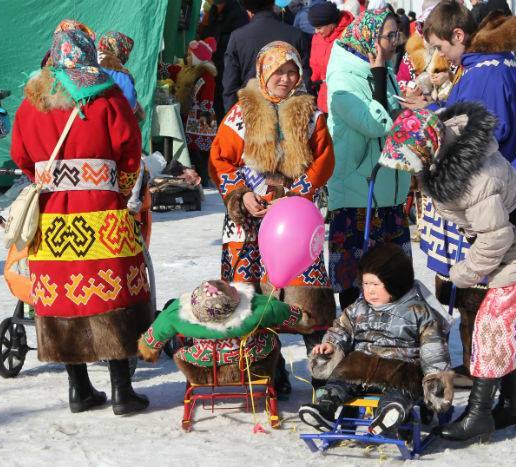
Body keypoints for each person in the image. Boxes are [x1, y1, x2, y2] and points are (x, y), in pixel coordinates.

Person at [379, 103, 516, 442]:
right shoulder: (450, 153)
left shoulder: (471, 179)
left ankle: (480, 413)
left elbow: (497, 236)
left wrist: (464, 272)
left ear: (426, 148)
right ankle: (514, 404)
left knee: (490, 329)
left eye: (408, 162)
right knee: (512, 330)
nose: (407, 171)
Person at [403, 1, 516, 385]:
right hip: (503, 194)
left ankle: (485, 374)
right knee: (496, 295)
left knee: (489, 295)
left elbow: (482, 133)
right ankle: (493, 378)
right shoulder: (492, 64)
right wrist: (438, 108)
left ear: (459, 35)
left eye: (439, 46)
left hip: (497, 196)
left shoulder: (486, 71)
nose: (438, 56)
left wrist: (435, 123)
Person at [10, 28, 152, 415]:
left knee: (62, 298)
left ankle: (79, 390)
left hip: (53, 219)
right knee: (114, 294)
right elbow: (130, 152)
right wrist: (121, 191)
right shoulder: (107, 97)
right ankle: (122, 391)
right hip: (104, 211)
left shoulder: (30, 105)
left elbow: (21, 157)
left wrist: (51, 180)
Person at [209, 42, 336, 392]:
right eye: (278, 71)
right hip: (247, 221)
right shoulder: (239, 115)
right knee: (253, 299)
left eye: (292, 71)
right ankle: (271, 371)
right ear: (263, 72)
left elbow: (323, 160)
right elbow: (221, 160)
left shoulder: (311, 116)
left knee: (306, 296)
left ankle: (322, 377)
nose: (286, 78)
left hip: (293, 220)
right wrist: (242, 194)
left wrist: (296, 196)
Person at [298, 244, 453, 433]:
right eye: (365, 284)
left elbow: (433, 348)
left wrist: (435, 378)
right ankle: (326, 409)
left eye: (376, 285)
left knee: (402, 388)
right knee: (338, 382)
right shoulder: (358, 308)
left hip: (400, 366)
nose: (369, 291)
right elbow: (342, 328)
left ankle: (390, 413)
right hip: (360, 365)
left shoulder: (418, 311)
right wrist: (331, 344)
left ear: (395, 282)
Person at [325, 9, 412, 311]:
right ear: (369, 39)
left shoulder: (381, 69)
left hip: (386, 189)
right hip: (358, 196)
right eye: (389, 36)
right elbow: (376, 124)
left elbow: (391, 118)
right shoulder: (343, 79)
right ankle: (356, 348)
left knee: (392, 281)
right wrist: (378, 76)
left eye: (396, 35)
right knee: (358, 282)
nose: (395, 43)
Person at [138, 280, 314, 382]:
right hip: (250, 362)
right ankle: (277, 381)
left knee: (181, 350)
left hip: (205, 364)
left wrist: (148, 347)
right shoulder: (259, 307)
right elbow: (283, 311)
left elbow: (158, 330)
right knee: (270, 341)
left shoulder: (176, 315)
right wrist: (301, 318)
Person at [222, 0, 310, 113]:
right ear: (273, 4)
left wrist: (232, 116)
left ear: (248, 10)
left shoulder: (238, 37)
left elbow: (230, 85)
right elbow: (305, 80)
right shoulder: (296, 35)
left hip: (250, 112)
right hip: (288, 112)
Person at [167, 38, 219, 186]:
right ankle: (196, 176)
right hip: (191, 117)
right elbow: (173, 70)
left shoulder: (206, 74)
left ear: (198, 58)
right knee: (192, 150)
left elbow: (208, 96)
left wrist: (204, 114)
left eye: (190, 55)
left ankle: (204, 177)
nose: (187, 58)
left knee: (199, 152)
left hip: (201, 119)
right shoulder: (188, 71)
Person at [198, 0, 249, 122]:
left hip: (229, 69)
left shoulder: (238, 13)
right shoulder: (212, 11)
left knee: (226, 107)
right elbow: (207, 35)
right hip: (213, 66)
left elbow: (239, 44)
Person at [308, 1, 354, 114]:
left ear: (332, 24)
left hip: (346, 98)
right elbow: (315, 65)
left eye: (319, 27)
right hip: (323, 98)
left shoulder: (349, 36)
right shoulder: (317, 38)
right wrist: (310, 84)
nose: (316, 31)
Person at [97, 31, 144, 121]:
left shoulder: (88, 59)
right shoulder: (118, 71)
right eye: (127, 52)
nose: (127, 56)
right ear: (120, 50)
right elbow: (129, 100)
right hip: (110, 122)